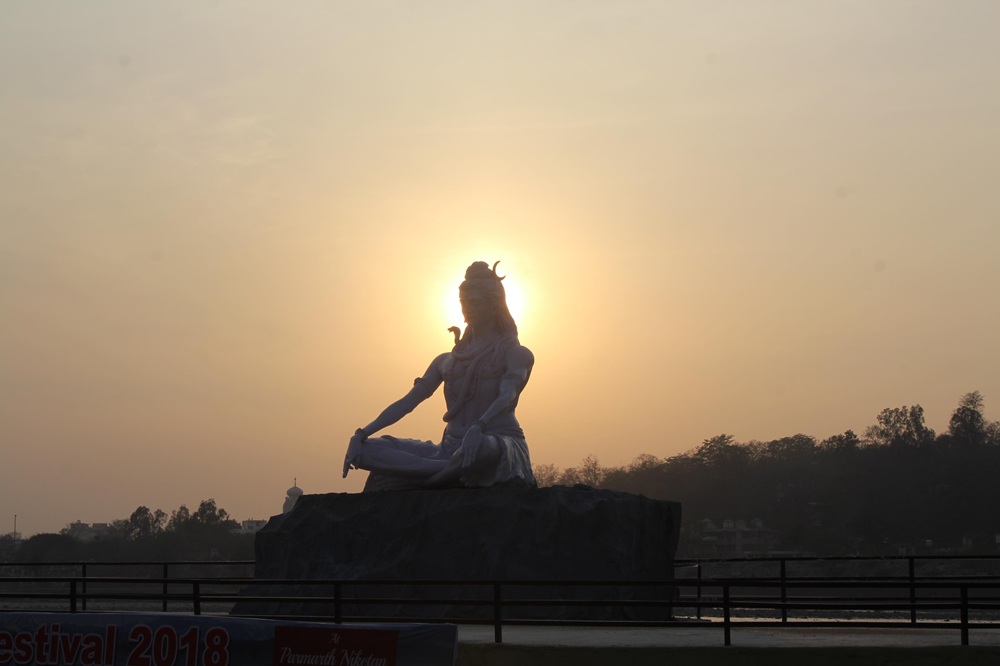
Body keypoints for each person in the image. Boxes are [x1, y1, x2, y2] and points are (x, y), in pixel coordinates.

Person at [342, 261, 536, 490]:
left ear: (494, 305)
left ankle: (420, 479)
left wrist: (480, 426)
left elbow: (508, 395)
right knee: (368, 449)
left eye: (475, 303)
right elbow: (408, 402)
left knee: (479, 450)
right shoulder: (446, 360)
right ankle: (442, 472)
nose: (468, 310)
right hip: (448, 448)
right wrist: (362, 433)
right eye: (464, 303)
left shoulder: (515, 353)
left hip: (496, 440)